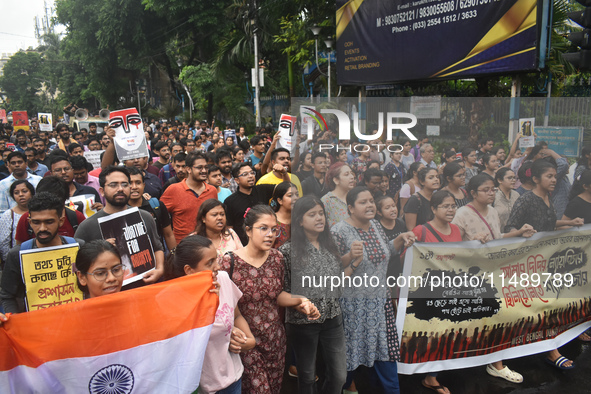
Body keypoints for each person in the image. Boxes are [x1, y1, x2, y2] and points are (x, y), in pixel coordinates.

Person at [219, 205, 320, 394]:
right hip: (246, 342)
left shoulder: (277, 258)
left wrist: (301, 301)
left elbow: (277, 295)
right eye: (263, 228)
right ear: (248, 230)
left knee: (273, 389)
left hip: (275, 340)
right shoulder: (229, 262)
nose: (270, 234)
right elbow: (221, 305)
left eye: (274, 229)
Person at [331, 187, 415, 394]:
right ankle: (344, 386)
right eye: (363, 202)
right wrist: (350, 255)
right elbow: (331, 269)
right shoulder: (338, 231)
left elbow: (386, 250)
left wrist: (401, 238)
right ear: (350, 208)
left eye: (371, 201)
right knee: (350, 355)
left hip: (380, 303)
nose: (369, 205)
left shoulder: (376, 225)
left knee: (385, 353)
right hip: (352, 306)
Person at [504, 160, 584, 370]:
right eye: (549, 176)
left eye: (554, 177)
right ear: (536, 179)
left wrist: (570, 223)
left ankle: (546, 347)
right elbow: (510, 226)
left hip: (546, 261)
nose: (553, 180)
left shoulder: (548, 198)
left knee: (547, 304)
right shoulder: (527, 200)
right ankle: (550, 351)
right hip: (527, 263)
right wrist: (523, 234)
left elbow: (548, 224)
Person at [165, 234, 254, 393]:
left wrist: (248, 340)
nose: (217, 267)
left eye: (216, 259)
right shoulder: (175, 301)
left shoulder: (223, 279)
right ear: (188, 270)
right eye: (209, 263)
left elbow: (237, 315)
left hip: (233, 378)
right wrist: (211, 303)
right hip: (202, 387)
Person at [279, 196, 347, 394]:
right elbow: (281, 291)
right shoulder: (286, 251)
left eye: (321, 213)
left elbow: (339, 280)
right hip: (302, 323)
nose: (319, 218)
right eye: (312, 214)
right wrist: (301, 303)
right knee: (307, 377)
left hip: (333, 317)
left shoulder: (330, 245)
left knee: (339, 376)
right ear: (300, 220)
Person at [74, 166, 165, 284]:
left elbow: (157, 247)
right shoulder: (87, 227)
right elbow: (76, 267)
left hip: (147, 287)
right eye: (113, 185)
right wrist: (100, 250)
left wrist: (159, 269)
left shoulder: (145, 216)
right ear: (101, 191)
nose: (120, 189)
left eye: (125, 184)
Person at [0, 192, 84, 313]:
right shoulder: (17, 255)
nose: (42, 228)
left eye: (49, 222)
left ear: (61, 221)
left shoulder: (78, 247)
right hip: (36, 325)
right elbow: (7, 296)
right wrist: (14, 320)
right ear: (29, 222)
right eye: (36, 222)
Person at [161, 152, 218, 243]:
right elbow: (161, 216)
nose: (204, 171)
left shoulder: (212, 191)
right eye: (199, 167)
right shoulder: (173, 190)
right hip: (183, 248)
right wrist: (172, 247)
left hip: (208, 245)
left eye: (206, 167)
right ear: (188, 169)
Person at [127, 167, 176, 252]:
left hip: (158, 256)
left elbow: (168, 235)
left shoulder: (157, 206)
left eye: (138, 183)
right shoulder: (119, 210)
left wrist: (174, 256)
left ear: (144, 185)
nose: (134, 187)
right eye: (129, 183)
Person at [224, 163, 275, 245]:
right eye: (245, 174)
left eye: (252, 173)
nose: (250, 176)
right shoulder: (230, 201)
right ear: (237, 180)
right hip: (243, 245)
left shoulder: (263, 189)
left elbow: (283, 189)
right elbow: (230, 228)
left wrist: (284, 173)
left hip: (266, 241)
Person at [0, 180, 34, 262]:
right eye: (16, 193)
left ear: (32, 193)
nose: (21, 195)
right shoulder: (8, 215)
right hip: (16, 259)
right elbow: (4, 243)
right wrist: (11, 261)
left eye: (24, 191)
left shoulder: (38, 212)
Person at [321, 162, 356, 228]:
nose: (352, 177)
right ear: (336, 180)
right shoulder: (327, 201)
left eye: (351, 173)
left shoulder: (355, 197)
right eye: (346, 174)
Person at [271, 182, 298, 248]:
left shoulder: (299, 220)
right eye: (290, 195)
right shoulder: (271, 220)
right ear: (279, 200)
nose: (295, 198)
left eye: (297, 194)